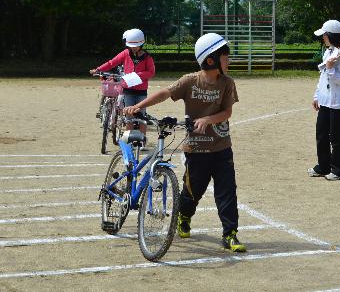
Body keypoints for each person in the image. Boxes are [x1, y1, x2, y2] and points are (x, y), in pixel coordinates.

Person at [122, 33, 246, 252]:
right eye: (225, 57)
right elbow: (165, 92)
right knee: (192, 191)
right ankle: (184, 216)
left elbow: (227, 112)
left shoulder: (228, 83)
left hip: (222, 147)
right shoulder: (190, 81)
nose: (229, 61)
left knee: (227, 190)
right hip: (197, 149)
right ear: (210, 60)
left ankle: (230, 234)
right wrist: (140, 105)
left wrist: (208, 119)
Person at [308, 20, 340, 180]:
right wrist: (316, 95)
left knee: (336, 136)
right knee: (321, 134)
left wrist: (330, 68)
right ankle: (323, 166)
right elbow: (322, 77)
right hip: (326, 100)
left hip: (339, 102)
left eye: (325, 35)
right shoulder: (329, 52)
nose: (323, 38)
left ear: (331, 36)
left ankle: (339, 170)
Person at [90, 28, 155, 141]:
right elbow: (112, 62)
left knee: (141, 117)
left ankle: (142, 140)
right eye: (131, 46)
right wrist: (98, 69)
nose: (133, 48)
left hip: (141, 92)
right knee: (129, 117)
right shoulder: (125, 54)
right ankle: (128, 141)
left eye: (136, 46)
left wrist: (138, 75)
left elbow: (151, 72)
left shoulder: (147, 57)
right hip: (128, 90)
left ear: (141, 44)